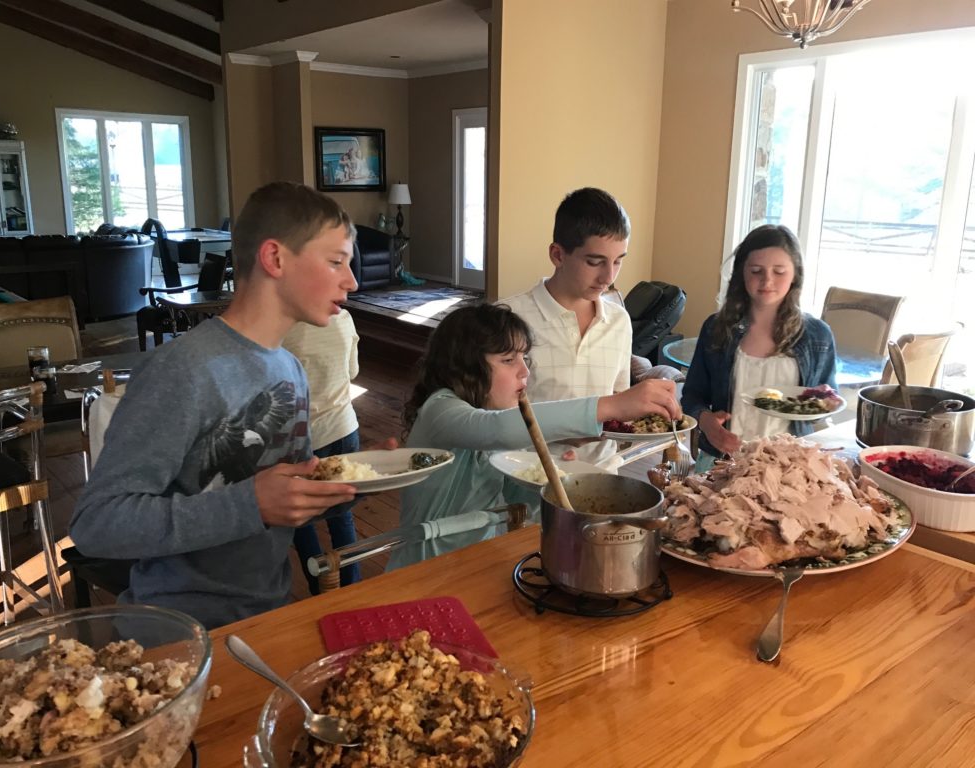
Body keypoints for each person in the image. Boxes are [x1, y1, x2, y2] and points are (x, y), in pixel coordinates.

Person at [70, 182, 360, 629]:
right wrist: (252, 505)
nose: (352, 281)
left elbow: (283, 498)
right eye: (336, 261)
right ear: (275, 258)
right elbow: (98, 523)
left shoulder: (290, 369)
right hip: (177, 633)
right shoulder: (183, 370)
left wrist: (351, 487)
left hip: (266, 617)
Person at [386, 303, 681, 570]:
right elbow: (496, 429)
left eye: (524, 357)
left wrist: (546, 473)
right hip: (423, 567)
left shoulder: (494, 418)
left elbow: (518, 504)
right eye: (508, 359)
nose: (524, 370)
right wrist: (612, 405)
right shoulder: (440, 409)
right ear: (466, 365)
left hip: (480, 560)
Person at [681, 224, 837, 467]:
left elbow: (824, 404)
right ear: (741, 272)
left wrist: (826, 397)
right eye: (756, 270)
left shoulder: (818, 336)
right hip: (724, 461)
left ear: (795, 274)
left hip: (790, 465)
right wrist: (706, 422)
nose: (767, 280)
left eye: (779, 271)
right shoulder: (716, 329)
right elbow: (692, 396)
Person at [503, 188, 636, 467]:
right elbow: (490, 421)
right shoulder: (508, 318)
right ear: (558, 255)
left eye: (618, 261)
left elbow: (617, 402)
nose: (608, 277)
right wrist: (565, 430)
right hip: (527, 477)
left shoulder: (619, 322)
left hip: (602, 476)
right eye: (594, 261)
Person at [282, 308, 364, 594]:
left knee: (301, 519)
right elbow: (352, 371)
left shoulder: (288, 325)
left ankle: (320, 586)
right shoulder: (344, 319)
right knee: (342, 513)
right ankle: (351, 584)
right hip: (345, 426)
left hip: (306, 437)